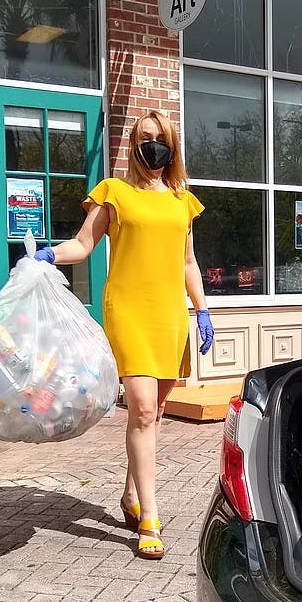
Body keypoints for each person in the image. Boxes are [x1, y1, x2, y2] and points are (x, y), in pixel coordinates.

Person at [31, 110, 214, 560]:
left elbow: (188, 262)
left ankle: (131, 494)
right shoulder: (115, 194)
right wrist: (50, 253)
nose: (154, 145)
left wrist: (203, 309)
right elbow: (83, 245)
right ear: (133, 145)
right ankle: (150, 516)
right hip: (128, 310)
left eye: (161, 138)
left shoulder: (181, 201)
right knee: (145, 408)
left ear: (172, 146)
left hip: (169, 313)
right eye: (145, 138)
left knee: (157, 410)